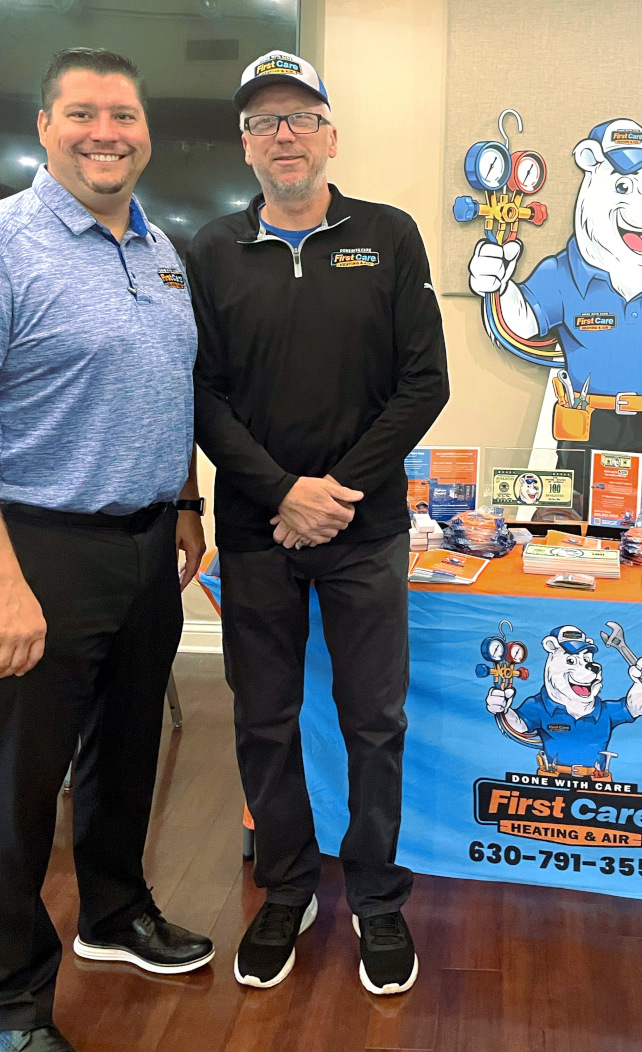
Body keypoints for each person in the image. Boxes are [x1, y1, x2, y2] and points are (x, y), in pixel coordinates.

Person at [186, 50, 448, 996]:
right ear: (245, 146)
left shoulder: (389, 235)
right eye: (263, 121)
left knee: (374, 721)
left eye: (299, 116)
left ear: (331, 135)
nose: (283, 134)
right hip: (258, 533)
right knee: (264, 718)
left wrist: (333, 492)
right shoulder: (211, 250)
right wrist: (281, 494)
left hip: (364, 532)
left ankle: (377, 897)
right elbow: (203, 394)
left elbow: (424, 384)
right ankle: (286, 888)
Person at [0, 49, 213, 1052]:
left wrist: (187, 501)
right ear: (45, 127)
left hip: (146, 544)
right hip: (36, 547)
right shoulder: (9, 243)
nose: (105, 133)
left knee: (126, 753)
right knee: (16, 787)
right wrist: (4, 582)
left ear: (146, 133)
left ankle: (115, 913)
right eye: (82, 113)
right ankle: (12, 1000)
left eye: (123, 115)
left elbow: (168, 384)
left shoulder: (162, 250)